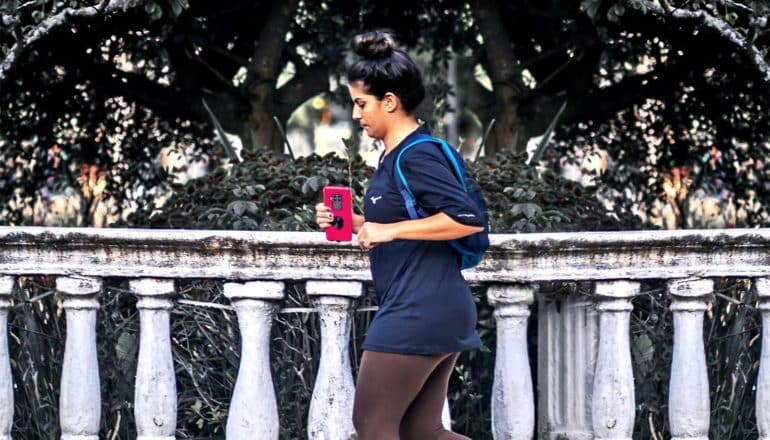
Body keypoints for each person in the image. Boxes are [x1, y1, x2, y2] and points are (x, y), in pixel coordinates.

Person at [315, 30, 483, 440]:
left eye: (361, 103)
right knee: (422, 431)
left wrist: (388, 230)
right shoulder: (397, 157)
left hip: (417, 309)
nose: (356, 115)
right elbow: (415, 221)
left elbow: (468, 218)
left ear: (389, 101)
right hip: (435, 305)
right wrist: (355, 223)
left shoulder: (417, 154)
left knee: (371, 424)